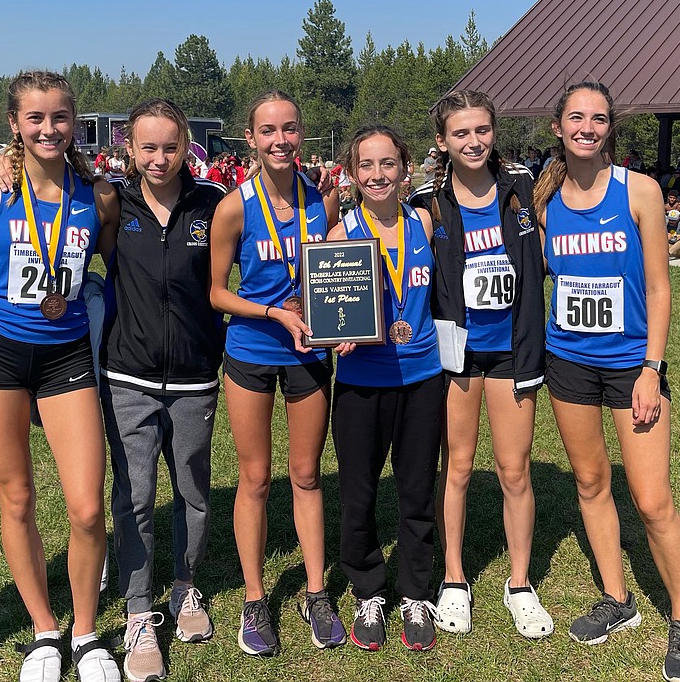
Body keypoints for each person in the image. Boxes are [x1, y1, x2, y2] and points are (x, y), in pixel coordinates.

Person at [533, 81, 680, 682]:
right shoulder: (543, 200)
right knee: (589, 481)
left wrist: (652, 370)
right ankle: (618, 599)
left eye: (599, 118)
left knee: (652, 500)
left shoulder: (641, 192)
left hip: (634, 365)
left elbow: (660, 287)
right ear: (558, 127)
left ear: (611, 128)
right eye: (576, 117)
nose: (587, 127)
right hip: (568, 361)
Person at [0, 70, 121, 682]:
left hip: (67, 355)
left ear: (74, 122)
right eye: (36, 118)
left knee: (85, 508)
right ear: (15, 124)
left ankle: (85, 634)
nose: (49, 129)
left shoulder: (99, 195)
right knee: (18, 497)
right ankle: (44, 631)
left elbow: (125, 269)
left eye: (60, 118)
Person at [405, 91, 551, 642]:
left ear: (494, 132)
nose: (474, 142)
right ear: (442, 141)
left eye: (482, 130)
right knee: (459, 467)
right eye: (461, 133)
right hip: (455, 351)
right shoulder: (429, 204)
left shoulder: (522, 193)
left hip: (513, 349)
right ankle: (453, 578)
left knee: (514, 470)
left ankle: (519, 584)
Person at [208, 90, 344, 657]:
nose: (280, 141)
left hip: (310, 355)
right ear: (251, 139)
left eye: (289, 130)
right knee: (257, 479)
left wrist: (340, 319)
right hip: (252, 351)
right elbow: (216, 293)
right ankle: (255, 598)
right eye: (268, 131)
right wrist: (272, 313)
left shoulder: (322, 199)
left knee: (308, 474)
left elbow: (335, 271)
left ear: (302, 134)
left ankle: (316, 592)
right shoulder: (234, 206)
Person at [99, 99, 227, 681]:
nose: (159, 158)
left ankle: (185, 586)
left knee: (194, 491)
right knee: (135, 495)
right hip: (129, 373)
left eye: (169, 147)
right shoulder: (110, 203)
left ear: (186, 147)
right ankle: (136, 611)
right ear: (130, 147)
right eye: (147, 147)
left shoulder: (212, 204)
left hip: (197, 373)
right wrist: (6, 162)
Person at [329, 126, 444, 652]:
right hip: (360, 384)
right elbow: (325, 308)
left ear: (405, 168)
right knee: (359, 494)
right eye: (366, 166)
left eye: (388, 164)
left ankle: (417, 591)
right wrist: (335, 333)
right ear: (353, 173)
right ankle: (369, 588)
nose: (378, 175)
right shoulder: (340, 234)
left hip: (421, 378)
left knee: (417, 491)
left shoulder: (423, 221)